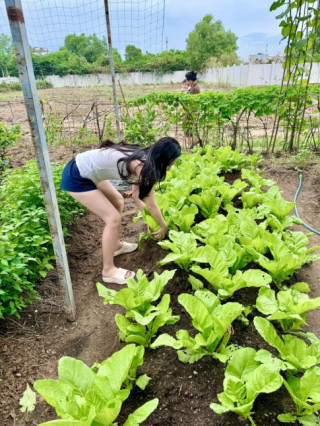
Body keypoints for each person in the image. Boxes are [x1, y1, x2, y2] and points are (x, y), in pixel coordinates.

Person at [60, 137, 181, 285]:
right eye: (169, 164)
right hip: (76, 175)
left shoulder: (144, 157)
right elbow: (152, 205)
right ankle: (108, 271)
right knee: (113, 218)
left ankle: (115, 245)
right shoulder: (142, 167)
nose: (169, 169)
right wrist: (163, 225)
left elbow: (137, 199)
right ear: (162, 159)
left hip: (86, 169)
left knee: (118, 200)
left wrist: (151, 221)